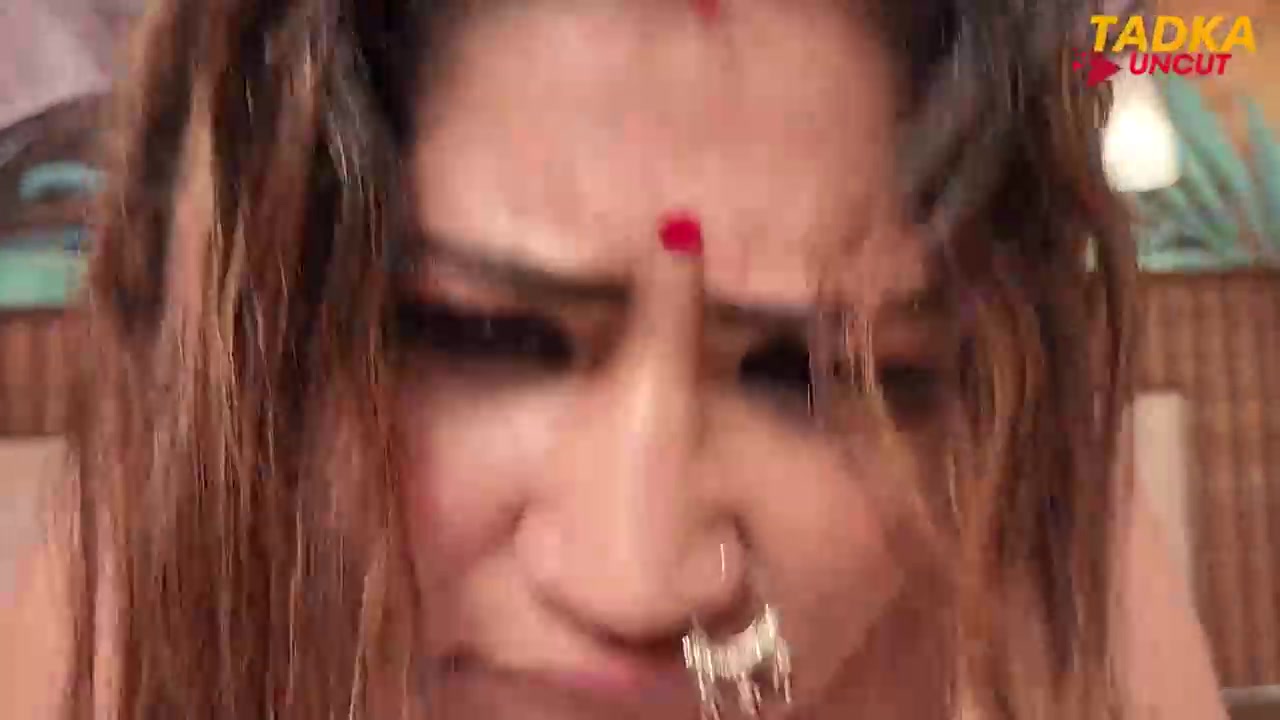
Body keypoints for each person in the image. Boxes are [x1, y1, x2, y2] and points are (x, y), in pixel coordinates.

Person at [2, 0, 1228, 718]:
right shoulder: (168, 579)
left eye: (808, 376)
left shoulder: (1025, 550)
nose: (637, 583)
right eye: (482, 333)